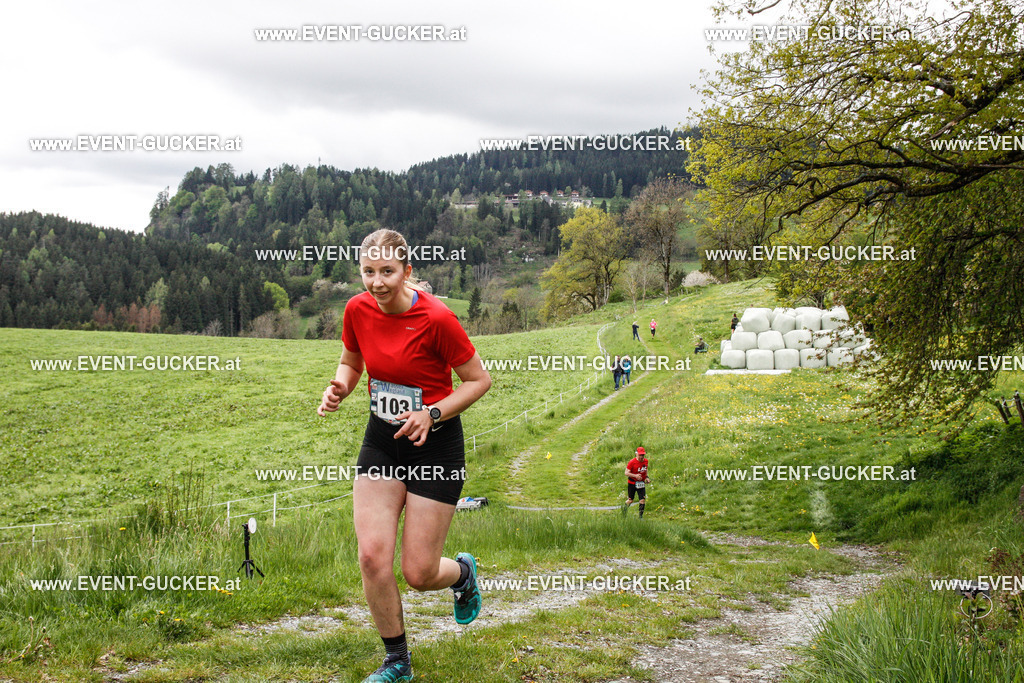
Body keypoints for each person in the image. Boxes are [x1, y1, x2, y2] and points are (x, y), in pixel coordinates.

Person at [318, 228, 492, 683]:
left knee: (418, 571)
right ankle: (397, 661)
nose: (377, 282)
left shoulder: (437, 318)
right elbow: (352, 361)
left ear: (407, 271)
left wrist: (431, 414)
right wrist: (340, 388)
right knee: (373, 556)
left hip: (435, 445)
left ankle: (462, 574)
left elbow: (478, 381)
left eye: (387, 272)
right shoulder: (357, 309)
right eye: (368, 272)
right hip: (383, 440)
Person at [625, 447, 650, 517]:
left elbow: (645, 470)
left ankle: (640, 517)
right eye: (640, 455)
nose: (641, 457)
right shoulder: (632, 462)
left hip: (641, 483)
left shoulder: (646, 461)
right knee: (630, 500)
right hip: (632, 483)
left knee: (642, 500)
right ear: (636, 454)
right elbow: (626, 473)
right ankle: (624, 512)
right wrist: (635, 476)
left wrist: (647, 478)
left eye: (643, 455)